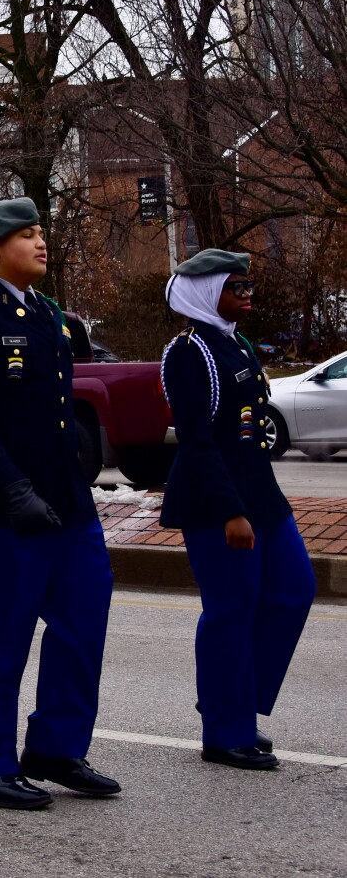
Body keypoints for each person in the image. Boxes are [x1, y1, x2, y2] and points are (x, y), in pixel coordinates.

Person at [0, 198, 119, 811]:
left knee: (83, 623)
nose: (40, 242)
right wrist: (12, 488)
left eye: (41, 233)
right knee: (0, 637)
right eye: (26, 235)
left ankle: (56, 748)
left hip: (64, 501)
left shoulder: (48, 314)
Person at [161, 249, 315, 770]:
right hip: (214, 499)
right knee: (231, 609)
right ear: (206, 292)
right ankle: (226, 733)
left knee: (295, 589)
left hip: (260, 493)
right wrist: (231, 511)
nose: (247, 295)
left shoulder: (237, 344)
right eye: (237, 287)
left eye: (250, 286)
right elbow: (199, 441)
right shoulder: (190, 352)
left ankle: (234, 700)